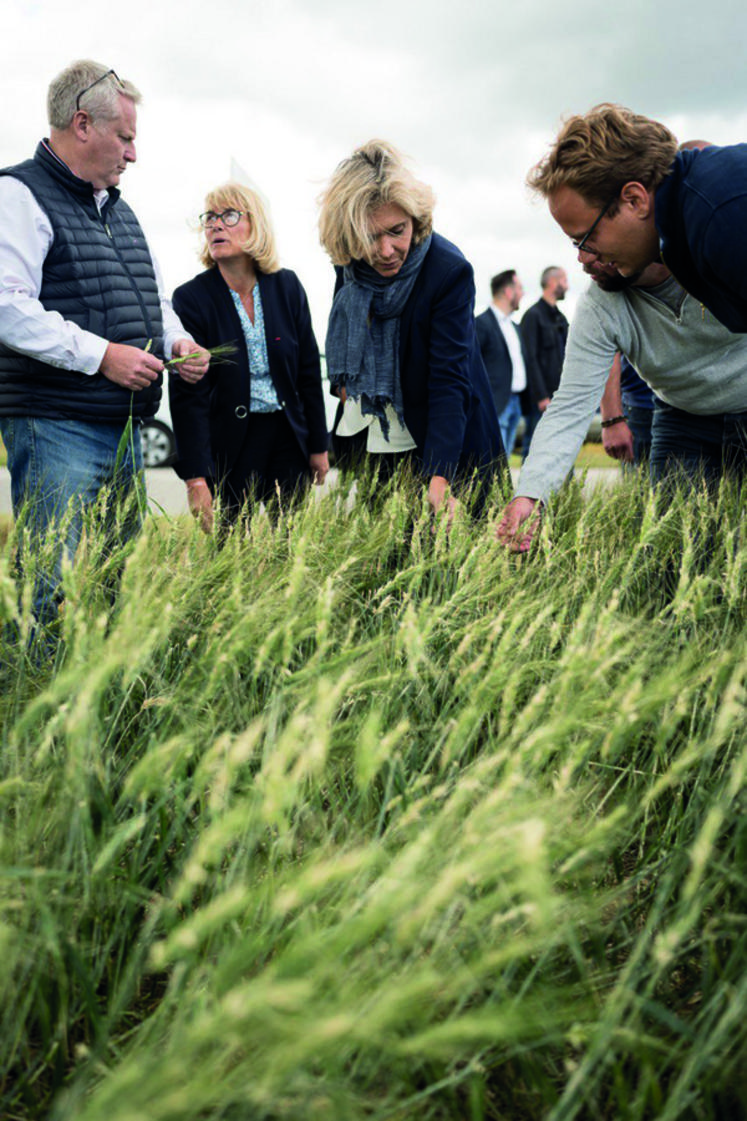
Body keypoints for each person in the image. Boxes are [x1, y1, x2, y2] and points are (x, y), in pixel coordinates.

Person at [0, 59, 209, 624]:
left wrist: (178, 341)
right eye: (126, 137)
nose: (133, 153)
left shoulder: (122, 212)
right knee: (47, 587)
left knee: (115, 582)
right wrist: (103, 357)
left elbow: (154, 301)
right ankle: (36, 699)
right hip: (56, 426)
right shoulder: (18, 195)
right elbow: (7, 307)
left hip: (122, 429)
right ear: (83, 124)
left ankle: (102, 698)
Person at [496, 254, 747, 551]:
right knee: (674, 546)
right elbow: (572, 396)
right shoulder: (593, 304)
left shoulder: (716, 241)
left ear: (637, 205)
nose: (582, 258)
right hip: (675, 413)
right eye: (576, 243)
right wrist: (531, 493)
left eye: (591, 234)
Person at [319, 140, 505, 518]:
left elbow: (449, 379)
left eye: (397, 230)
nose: (387, 250)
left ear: (416, 219)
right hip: (374, 438)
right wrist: (344, 388)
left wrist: (439, 476)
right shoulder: (349, 266)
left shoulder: (448, 271)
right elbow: (345, 342)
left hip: (443, 440)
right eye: (371, 237)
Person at [170, 182, 329, 529]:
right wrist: (196, 477)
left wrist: (318, 445)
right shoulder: (191, 298)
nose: (215, 225)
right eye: (210, 217)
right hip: (229, 446)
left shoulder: (287, 287)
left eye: (228, 215)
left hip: (288, 439)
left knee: (291, 551)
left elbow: (307, 373)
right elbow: (187, 396)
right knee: (232, 555)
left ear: (256, 225)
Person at [526, 103, 747, 333]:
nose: (583, 256)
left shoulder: (722, 215)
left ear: (634, 200)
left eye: (586, 237)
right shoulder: (686, 222)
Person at [475, 270, 536, 458]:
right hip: (495, 404)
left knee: (505, 461)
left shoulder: (514, 327)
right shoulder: (481, 324)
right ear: (508, 292)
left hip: (516, 402)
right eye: (520, 288)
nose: (523, 293)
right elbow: (473, 366)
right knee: (491, 461)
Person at [519, 267, 569, 459]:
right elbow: (530, 358)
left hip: (560, 397)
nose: (567, 286)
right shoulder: (533, 316)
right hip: (541, 400)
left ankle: (565, 489)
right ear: (552, 282)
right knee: (534, 447)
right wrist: (541, 396)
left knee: (562, 448)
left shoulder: (561, 318)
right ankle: (526, 489)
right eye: (564, 281)